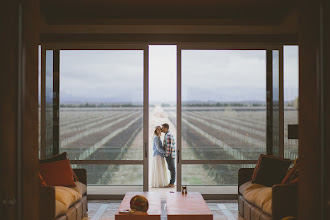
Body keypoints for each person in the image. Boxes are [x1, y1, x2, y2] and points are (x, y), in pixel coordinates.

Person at [161, 123, 176, 188]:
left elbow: (168, 147)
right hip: (171, 154)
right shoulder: (168, 134)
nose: (162, 129)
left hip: (169, 155)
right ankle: (171, 183)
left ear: (166, 128)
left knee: (172, 168)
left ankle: (172, 183)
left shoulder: (168, 135)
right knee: (171, 169)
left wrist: (166, 155)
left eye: (162, 128)